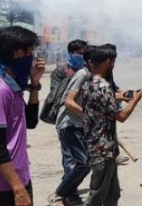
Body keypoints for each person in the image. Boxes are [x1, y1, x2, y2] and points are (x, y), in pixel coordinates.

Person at [0, 26, 45, 206]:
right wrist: (18, 188)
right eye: (31, 53)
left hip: (17, 177)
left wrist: (34, 84)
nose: (33, 59)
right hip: (2, 185)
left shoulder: (13, 88)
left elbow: (31, 122)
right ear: (19, 53)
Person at [81, 45, 142, 206]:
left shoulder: (89, 83)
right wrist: (135, 100)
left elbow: (104, 104)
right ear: (108, 62)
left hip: (103, 148)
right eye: (113, 62)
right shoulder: (103, 87)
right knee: (96, 196)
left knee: (112, 194)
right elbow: (121, 116)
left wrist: (122, 96)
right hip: (103, 150)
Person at [48, 43, 91, 206]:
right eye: (79, 54)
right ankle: (68, 194)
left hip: (81, 121)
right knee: (71, 159)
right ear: (72, 54)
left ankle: (66, 191)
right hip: (67, 121)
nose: (82, 56)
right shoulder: (61, 72)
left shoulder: (87, 72)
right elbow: (57, 96)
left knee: (82, 160)